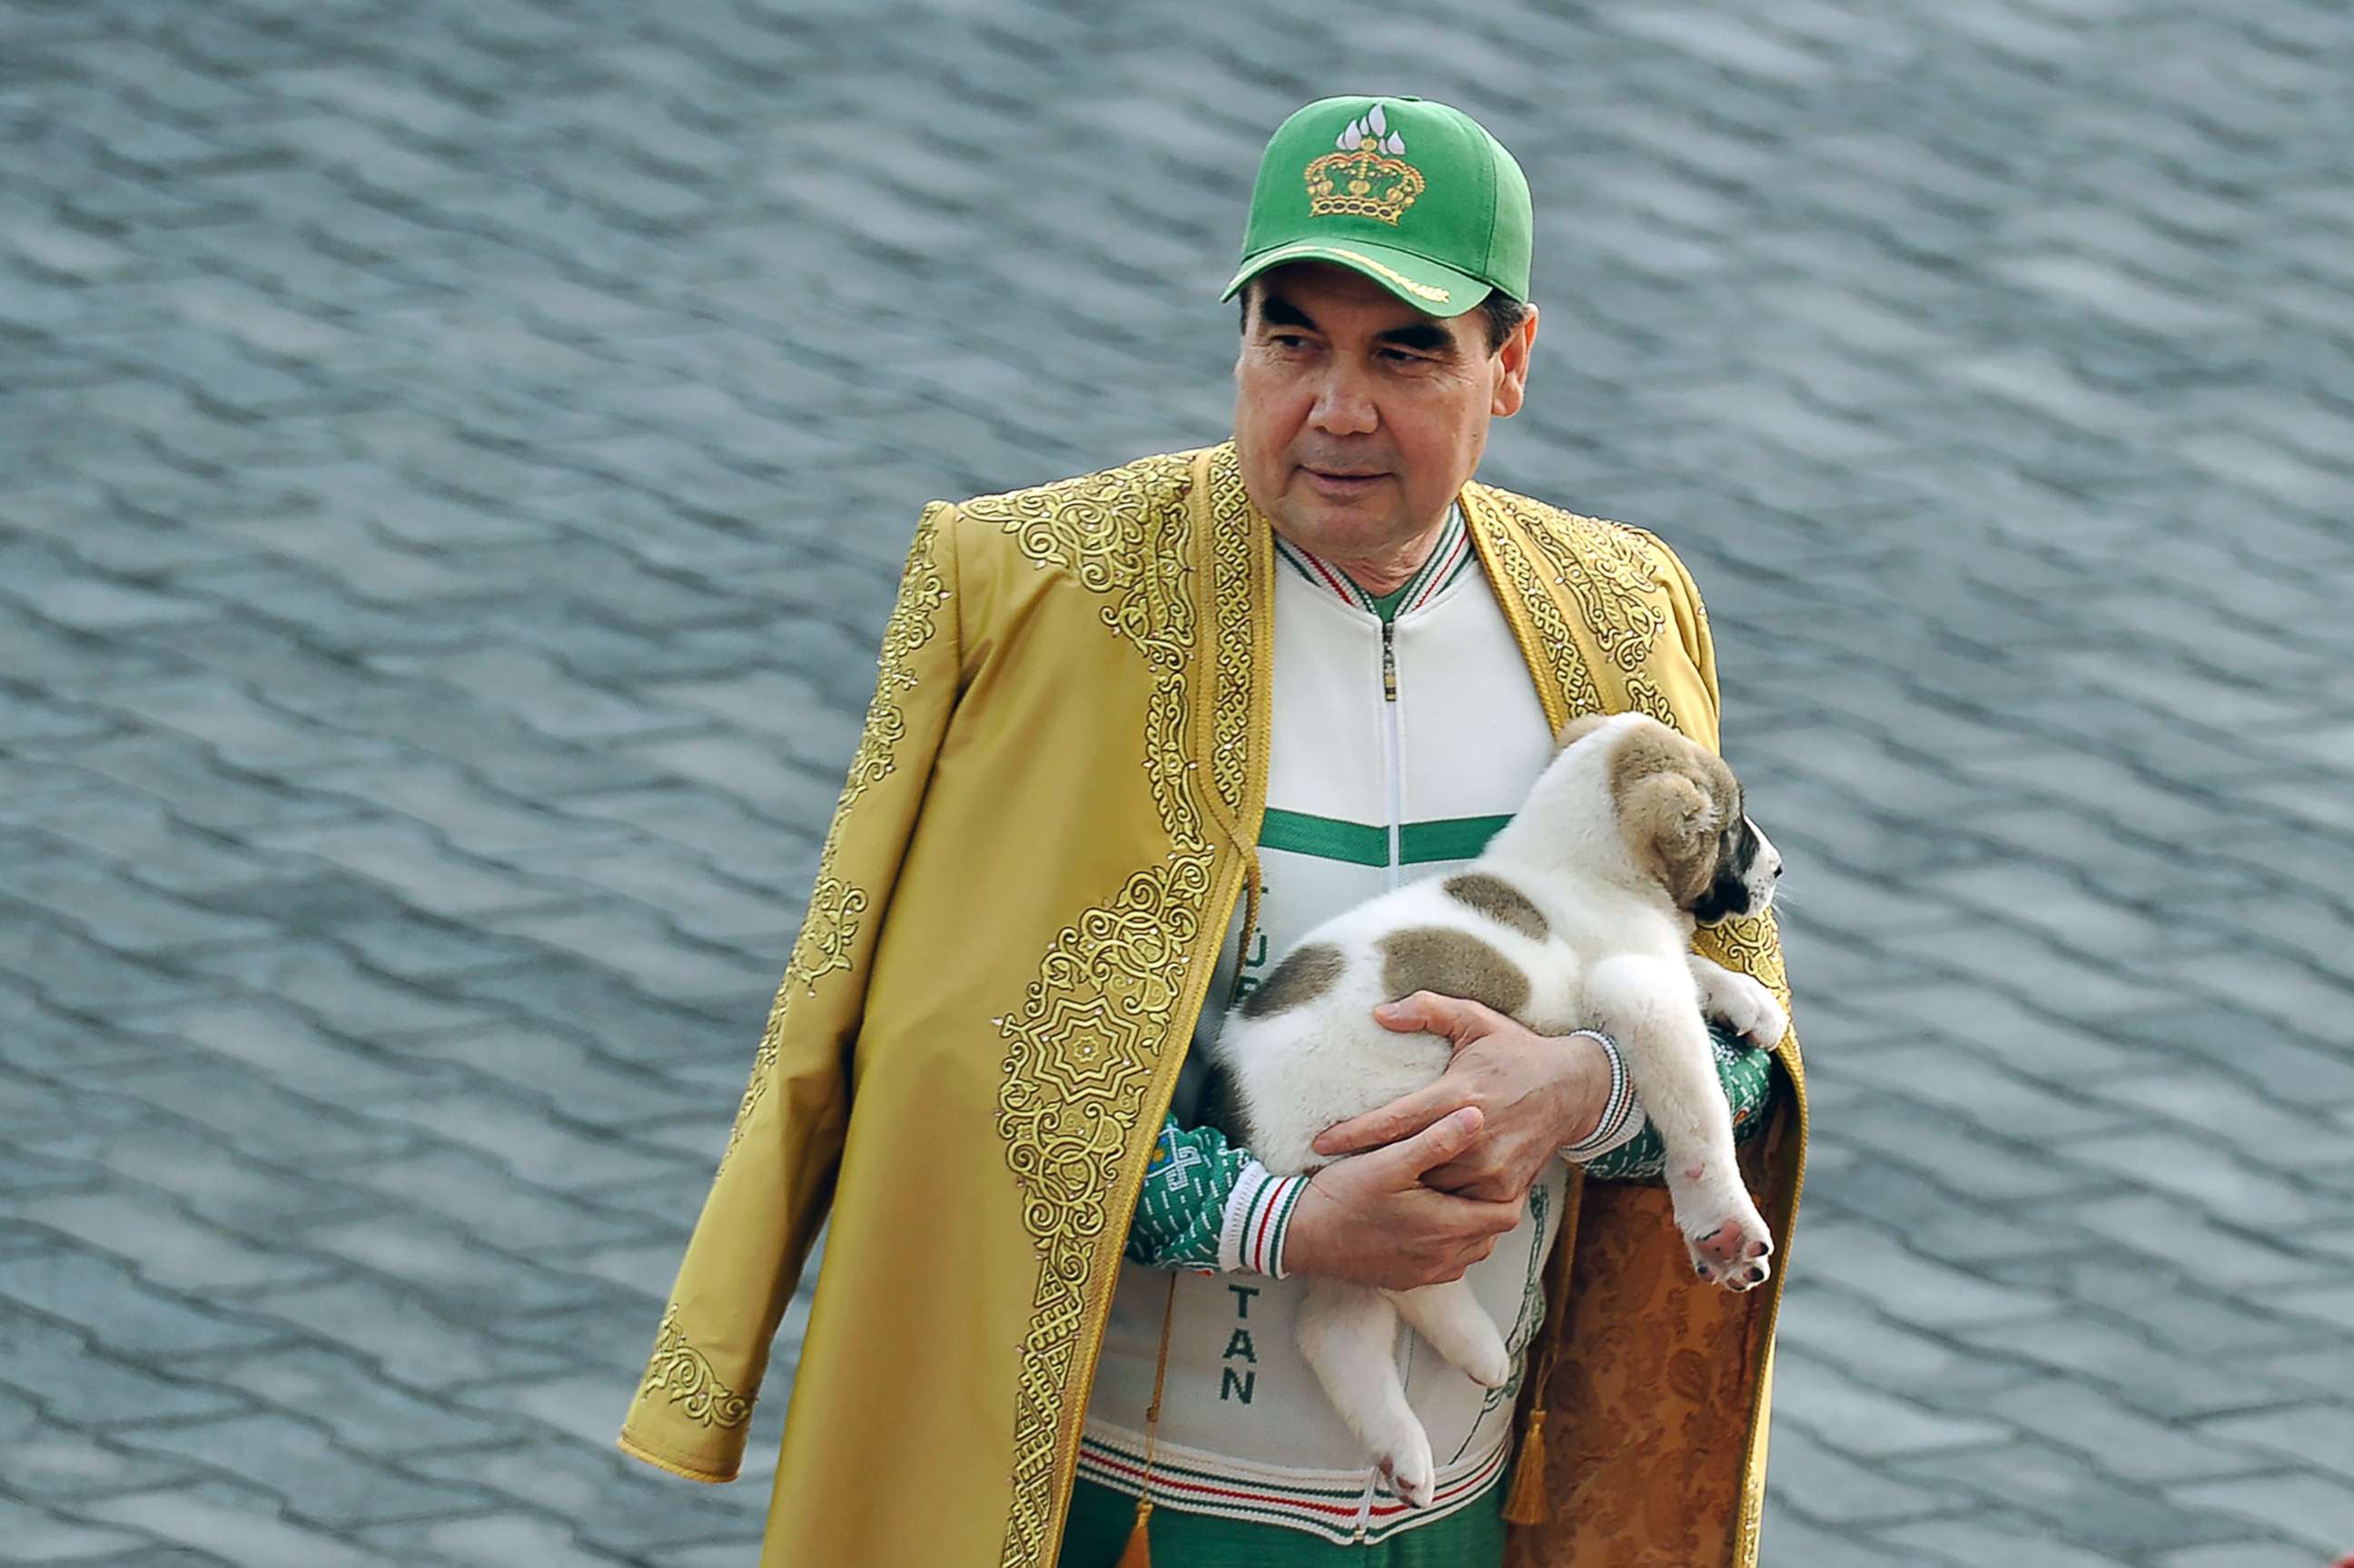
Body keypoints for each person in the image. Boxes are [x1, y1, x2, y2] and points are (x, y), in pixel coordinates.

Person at [616, 94, 1807, 1568]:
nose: (1337, 409)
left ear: (1510, 366)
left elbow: (1749, 1068)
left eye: (1406, 351)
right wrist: (1282, 1226)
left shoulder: (1623, 610)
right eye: (1291, 337)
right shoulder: (1026, 591)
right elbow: (943, 1081)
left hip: (1475, 1526)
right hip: (1111, 1517)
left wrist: (1578, 1094)